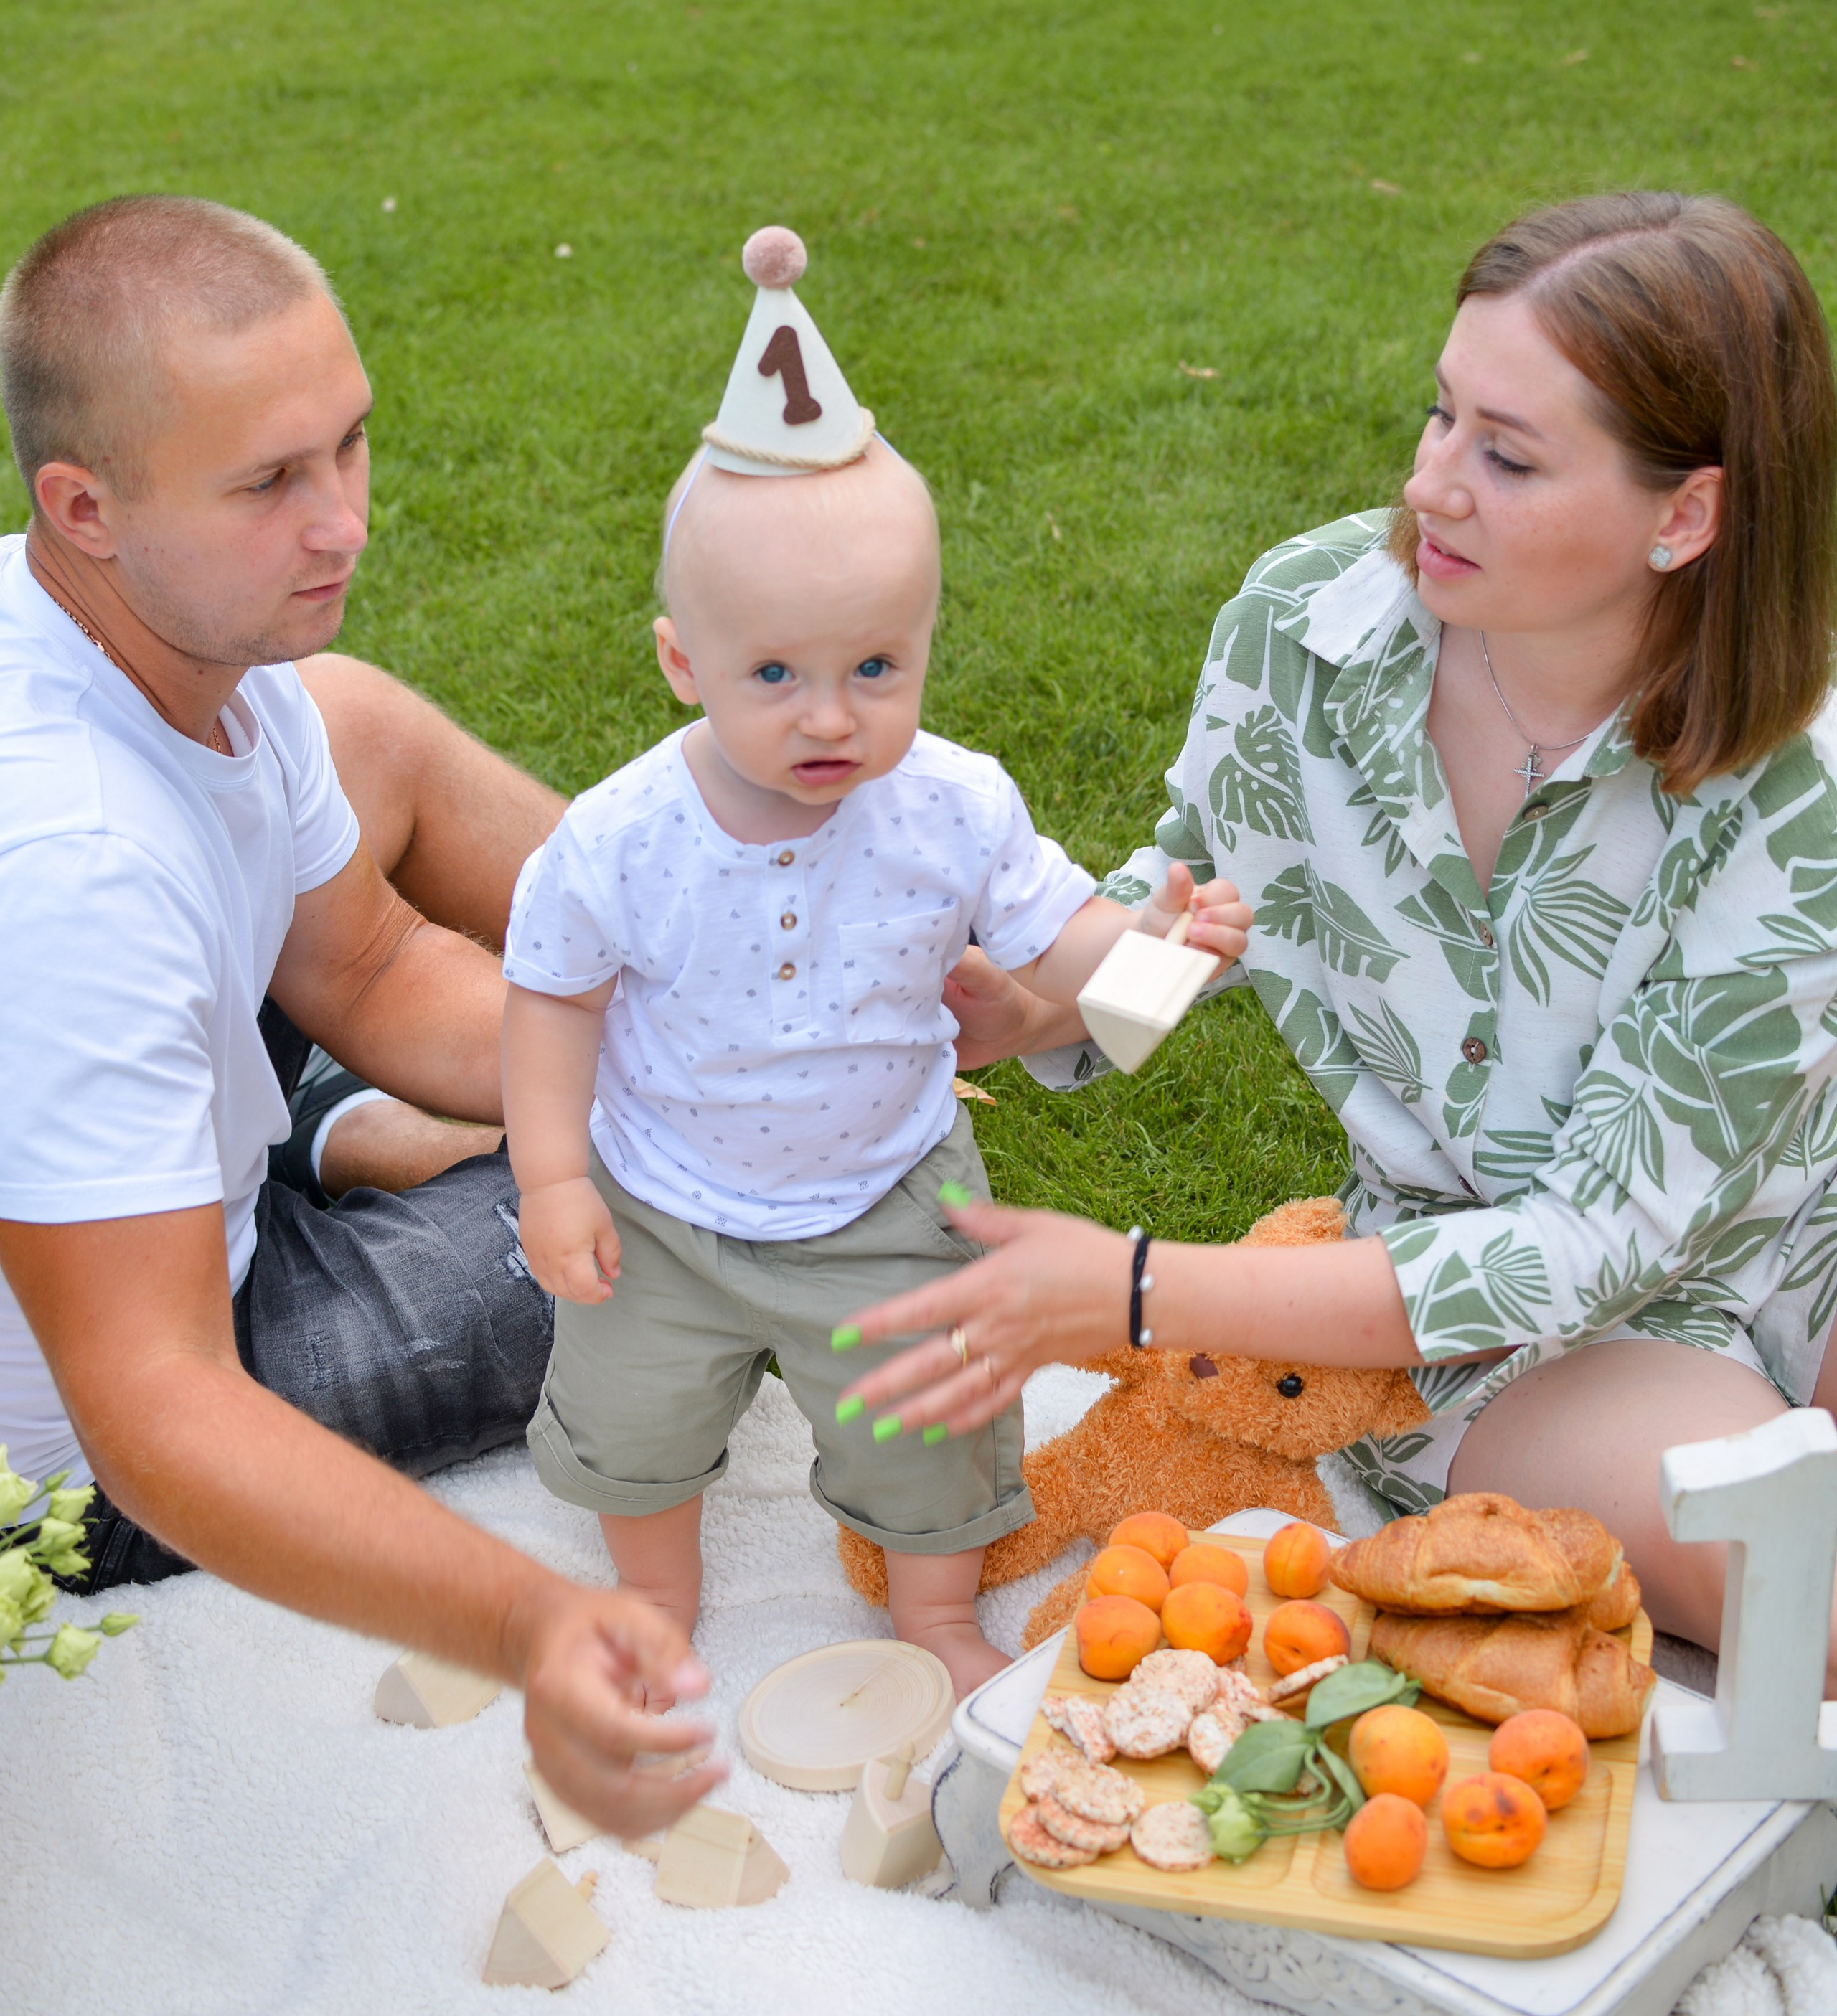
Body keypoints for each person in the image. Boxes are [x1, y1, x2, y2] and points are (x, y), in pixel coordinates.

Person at [836, 192, 1837, 1679]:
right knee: (1803, 1591)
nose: (1429, 484)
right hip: (1501, 1320)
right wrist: (1048, 1009)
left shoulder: (1798, 785)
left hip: (1766, 1243)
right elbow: (1196, 897)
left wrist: (1126, 1288)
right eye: (1438, 416)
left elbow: (1592, 1230)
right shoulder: (1300, 627)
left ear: (1682, 514)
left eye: (1503, 455)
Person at [0, 194, 721, 1838]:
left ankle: (322, 1121)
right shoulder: (72, 865)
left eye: (350, 447)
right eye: (269, 482)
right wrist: (528, 1619)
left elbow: (373, 963)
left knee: (355, 732)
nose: (342, 523)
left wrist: (728, 1053)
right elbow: (161, 1418)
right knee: (683, 1225)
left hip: (129, 1155)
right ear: (84, 506)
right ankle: (326, 1134)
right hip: (80, 1465)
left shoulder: (165, 645)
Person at [500, 234, 1249, 1694]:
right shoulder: (620, 838)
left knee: (930, 1419)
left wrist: (1153, 939)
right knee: (631, 1422)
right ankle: (654, 1600)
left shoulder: (953, 804)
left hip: (887, 1194)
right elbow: (552, 997)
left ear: (921, 642)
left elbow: (1060, 940)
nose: (827, 715)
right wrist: (551, 1175)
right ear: (679, 662)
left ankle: (932, 1616)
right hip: (663, 1203)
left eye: (875, 668)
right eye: (772, 673)